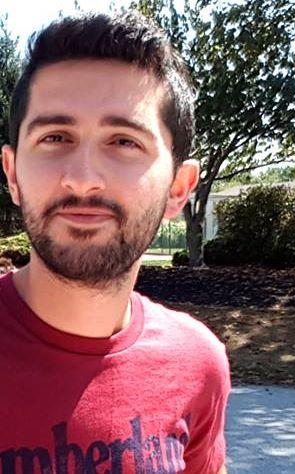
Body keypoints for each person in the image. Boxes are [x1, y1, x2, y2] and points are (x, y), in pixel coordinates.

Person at [0, 11, 230, 474]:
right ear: (13, 174)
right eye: (55, 137)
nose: (83, 179)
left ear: (178, 188)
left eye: (124, 142)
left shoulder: (199, 363)